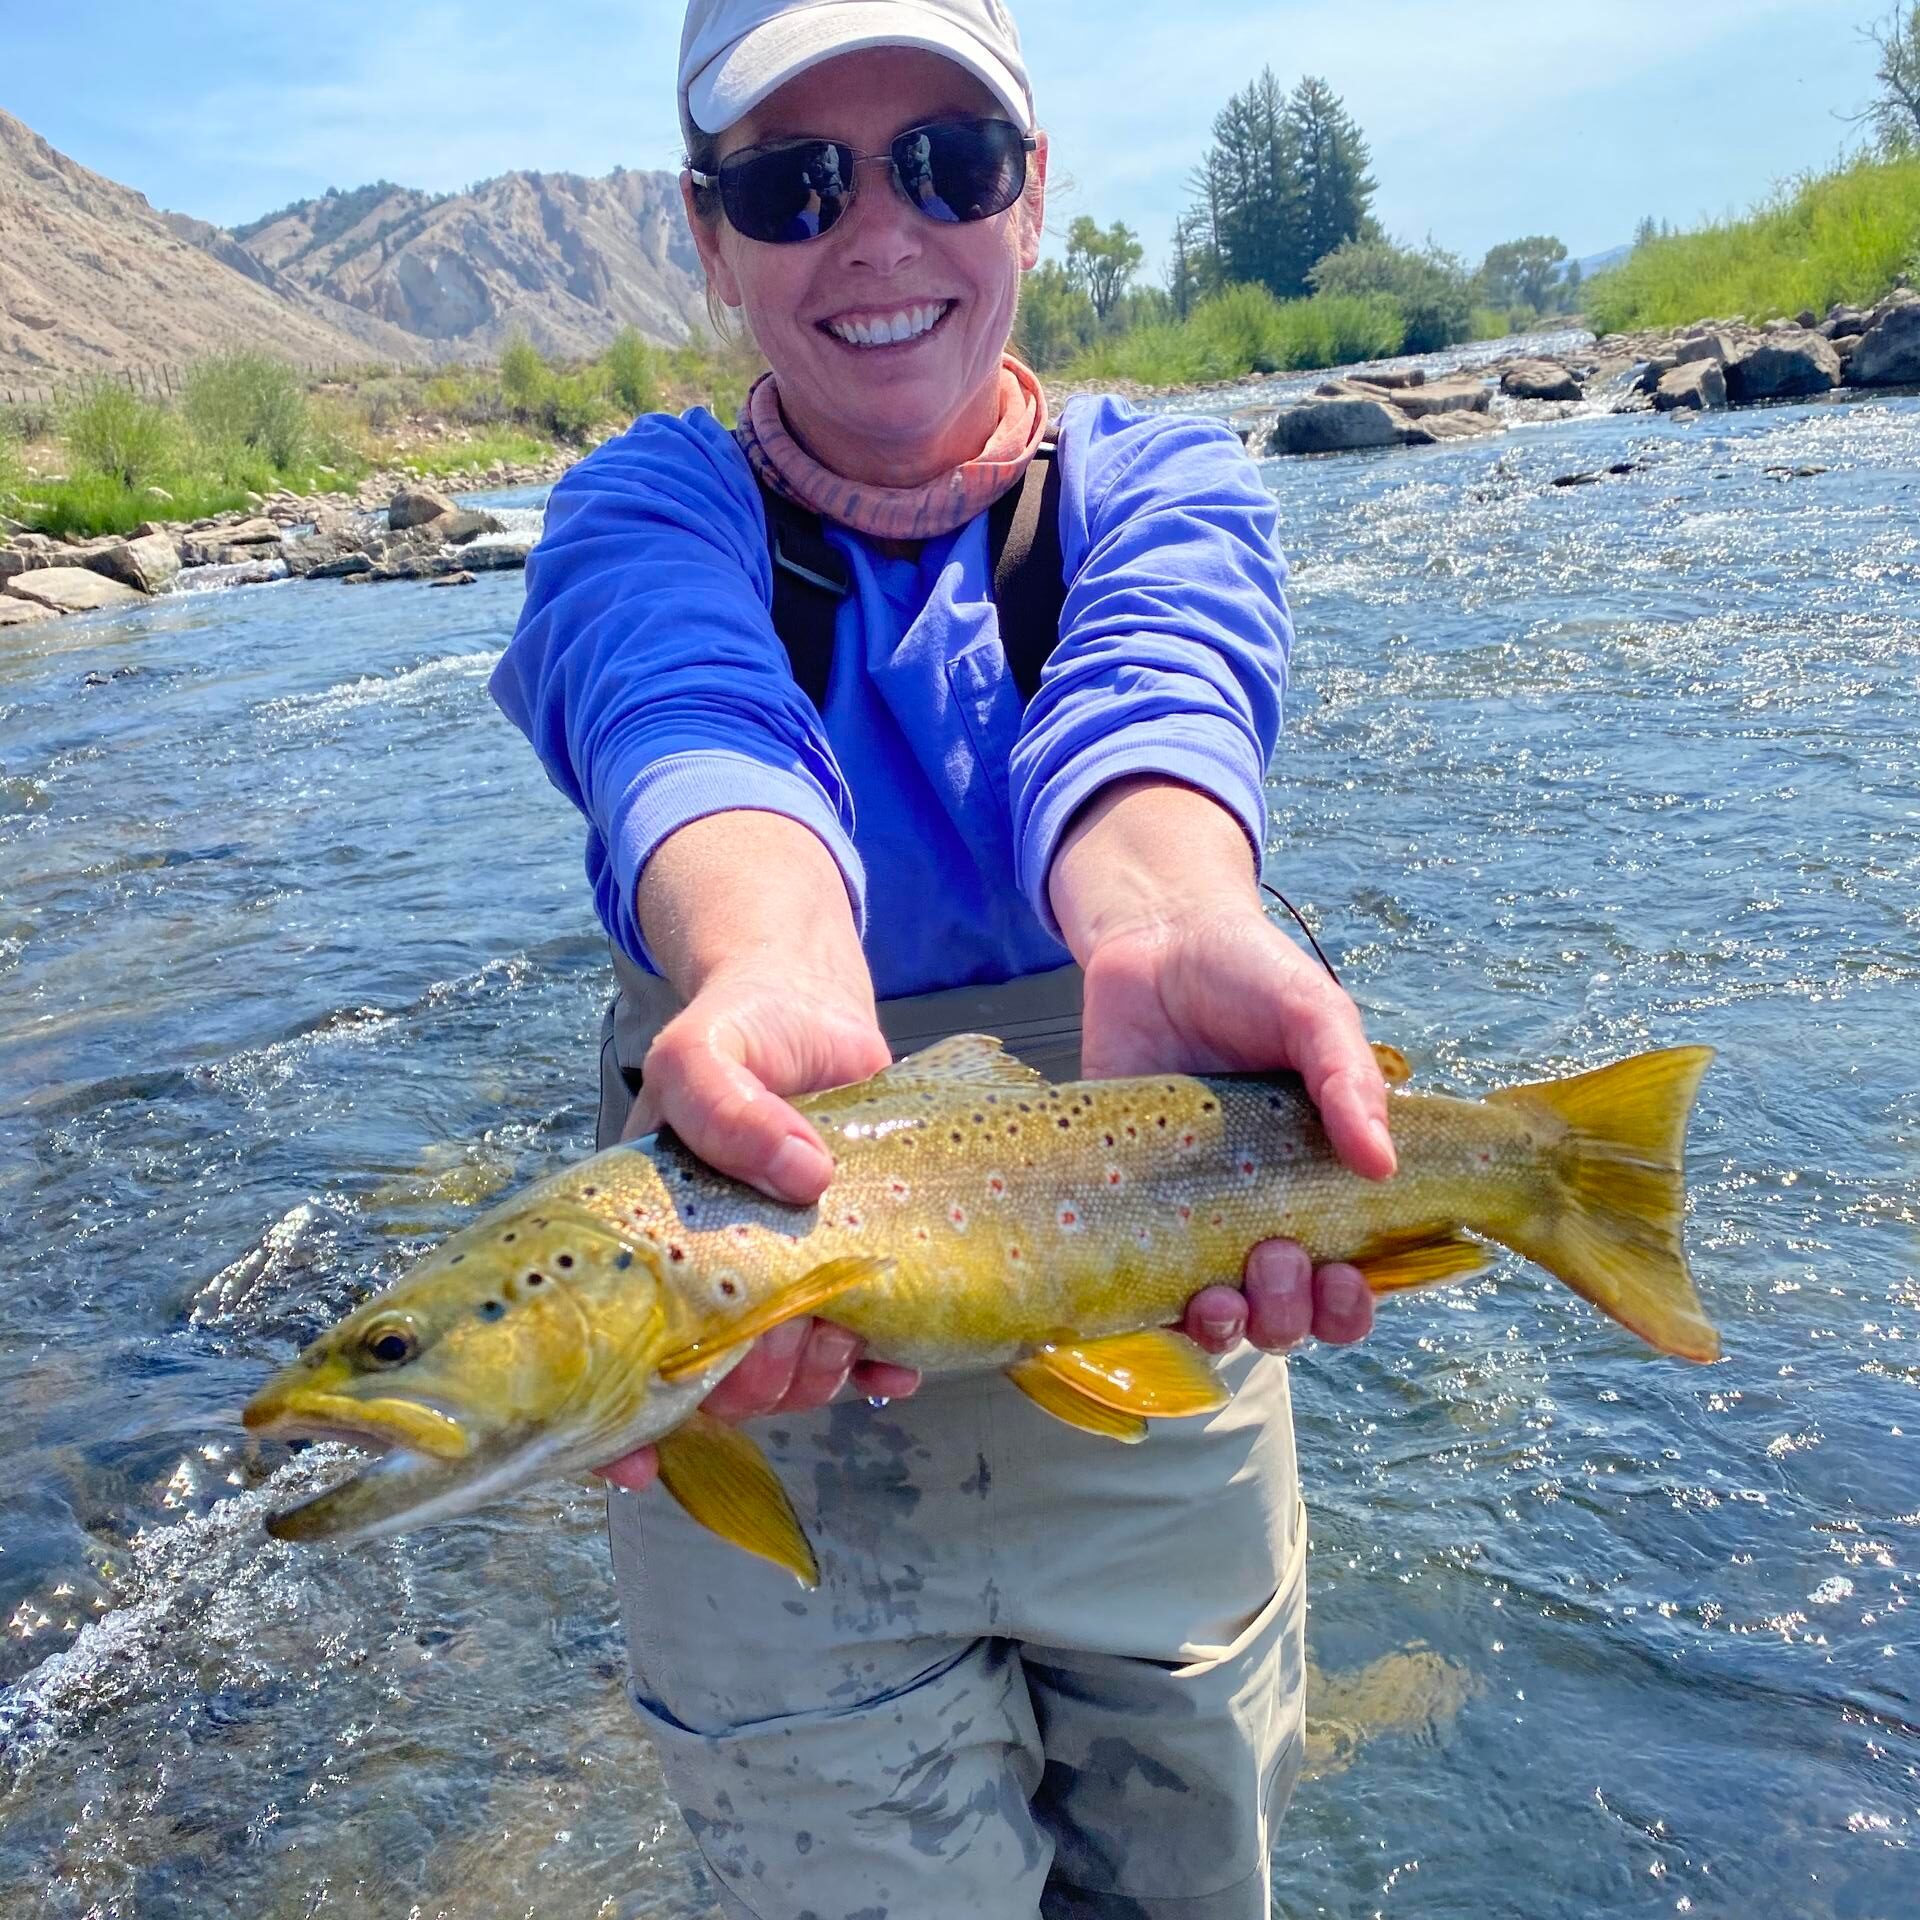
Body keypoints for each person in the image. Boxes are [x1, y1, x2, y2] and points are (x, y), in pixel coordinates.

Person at [490, 3, 1394, 1912]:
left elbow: (1150, 724)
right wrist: (768, 980)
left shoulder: (1167, 488)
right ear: (708, 235)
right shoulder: (641, 509)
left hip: (1146, 1276)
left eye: (947, 163)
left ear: (1035, 196)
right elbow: (691, 720)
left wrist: (1172, 926)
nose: (879, 231)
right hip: (760, 1345)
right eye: (795, 182)